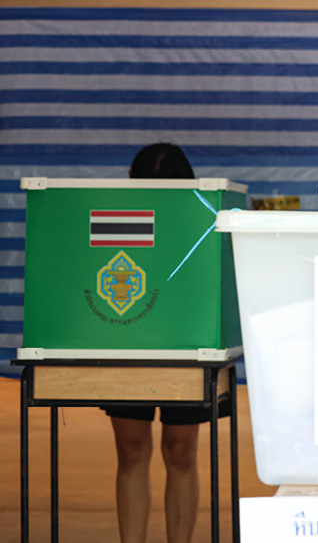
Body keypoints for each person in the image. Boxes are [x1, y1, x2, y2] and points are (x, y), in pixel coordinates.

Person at [103, 143, 209, 543]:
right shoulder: (115, 224)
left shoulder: (201, 225)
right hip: (127, 343)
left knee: (180, 453)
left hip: (186, 347)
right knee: (130, 451)